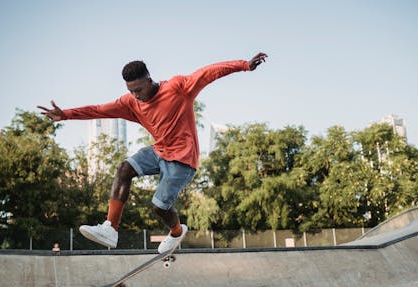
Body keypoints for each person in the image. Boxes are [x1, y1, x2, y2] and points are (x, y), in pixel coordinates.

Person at [38, 52, 268, 253]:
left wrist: (244, 65)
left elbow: (208, 72)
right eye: (131, 91)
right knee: (124, 169)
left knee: (159, 207)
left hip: (182, 160)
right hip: (158, 151)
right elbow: (99, 110)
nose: (136, 95)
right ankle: (110, 229)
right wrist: (66, 114)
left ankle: (177, 232)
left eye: (139, 89)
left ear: (149, 80)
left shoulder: (178, 87)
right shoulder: (130, 103)